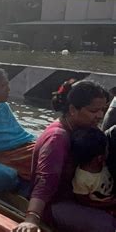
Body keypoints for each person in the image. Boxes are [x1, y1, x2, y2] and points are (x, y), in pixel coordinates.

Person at [13, 80, 113, 232]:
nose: (100, 116)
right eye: (93, 111)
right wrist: (32, 218)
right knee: (107, 226)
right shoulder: (57, 138)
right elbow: (45, 180)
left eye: (103, 110)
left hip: (85, 196)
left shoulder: (87, 129)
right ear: (73, 110)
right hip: (56, 203)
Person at [71, 128, 114, 206]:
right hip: (101, 206)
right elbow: (83, 200)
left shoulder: (103, 164)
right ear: (100, 158)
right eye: (107, 149)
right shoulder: (82, 179)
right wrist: (106, 205)